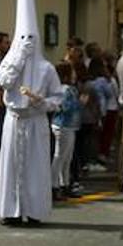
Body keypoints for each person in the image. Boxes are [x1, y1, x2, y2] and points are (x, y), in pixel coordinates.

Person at [0, 0, 65, 226]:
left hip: (35, 122)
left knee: (35, 168)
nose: (27, 42)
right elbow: (3, 83)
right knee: (11, 165)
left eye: (30, 39)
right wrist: (19, 57)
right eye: (22, 38)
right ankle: (11, 210)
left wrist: (42, 101)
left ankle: (34, 210)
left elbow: (59, 99)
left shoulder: (47, 68)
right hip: (14, 120)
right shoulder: (12, 62)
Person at [50, 61, 82, 200]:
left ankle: (63, 184)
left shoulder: (58, 89)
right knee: (61, 156)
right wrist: (80, 102)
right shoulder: (68, 90)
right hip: (65, 125)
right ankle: (55, 185)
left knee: (64, 156)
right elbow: (67, 107)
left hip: (63, 125)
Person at [92, 53, 119, 163]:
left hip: (102, 109)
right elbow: (112, 94)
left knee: (102, 134)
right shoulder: (107, 81)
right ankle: (103, 154)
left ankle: (102, 153)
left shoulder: (94, 80)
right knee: (107, 133)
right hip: (110, 109)